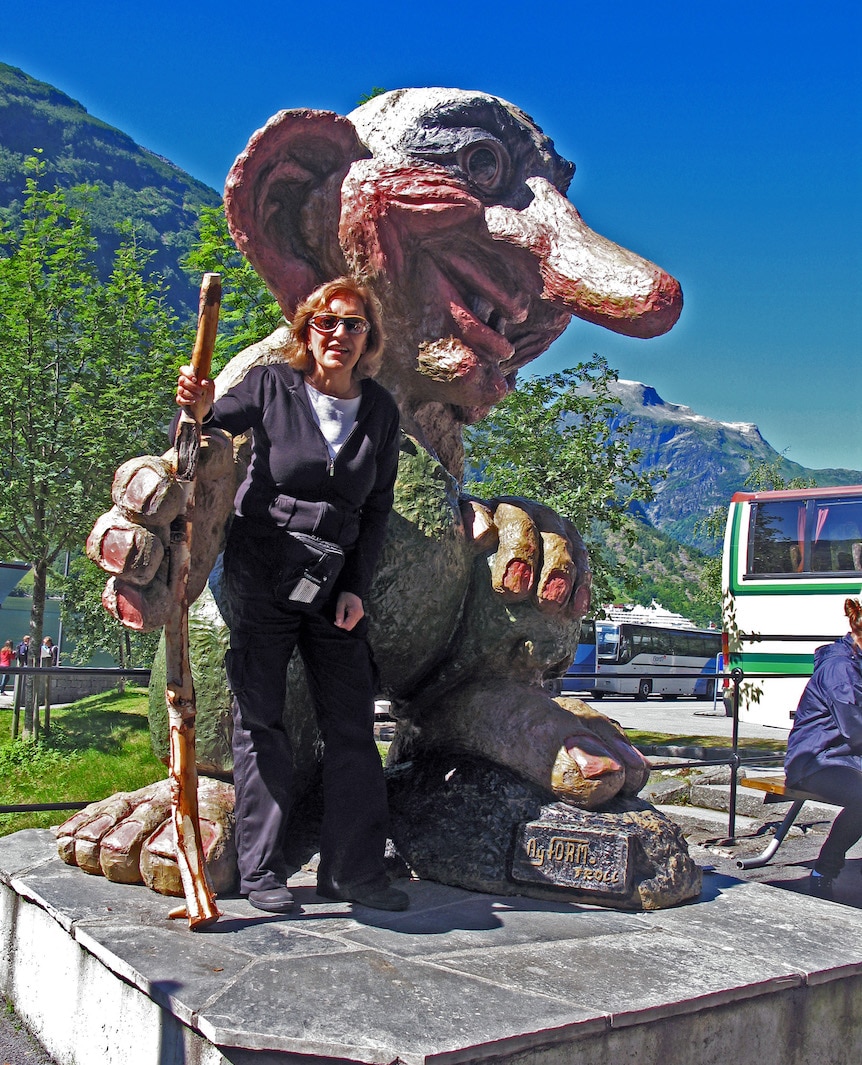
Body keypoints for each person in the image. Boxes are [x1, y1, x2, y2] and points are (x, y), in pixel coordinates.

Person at [175, 276, 406, 915]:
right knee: (263, 719)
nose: (339, 335)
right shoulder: (274, 385)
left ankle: (351, 874)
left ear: (368, 338)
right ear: (307, 330)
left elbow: (378, 508)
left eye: (353, 324)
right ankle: (263, 874)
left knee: (353, 724)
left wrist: (357, 587)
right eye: (327, 323)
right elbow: (202, 427)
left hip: (334, 584)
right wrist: (193, 406)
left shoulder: (381, 411)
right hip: (263, 572)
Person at [785, 597, 862, 898]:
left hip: (842, 758)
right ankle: (824, 870)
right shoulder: (840, 669)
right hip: (815, 762)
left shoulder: (855, 662)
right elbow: (855, 727)